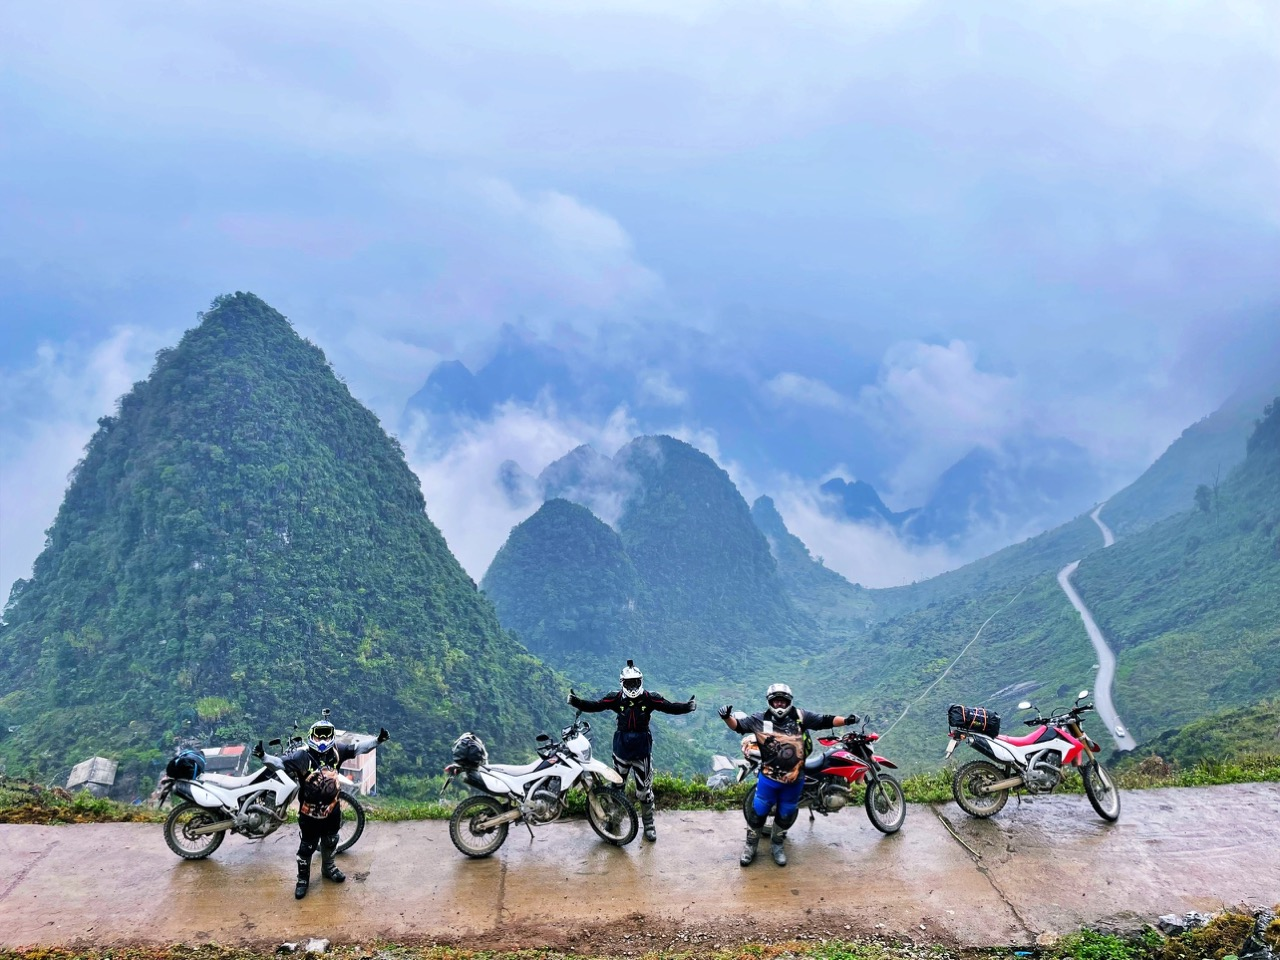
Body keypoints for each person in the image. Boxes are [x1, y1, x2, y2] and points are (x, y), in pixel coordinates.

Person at [719, 683, 857, 867]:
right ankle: (750, 847)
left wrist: (846, 720)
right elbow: (738, 726)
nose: (779, 704)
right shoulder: (759, 719)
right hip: (768, 780)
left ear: (789, 701)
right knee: (757, 813)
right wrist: (726, 717)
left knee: (785, 815)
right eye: (776, 701)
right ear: (770, 702)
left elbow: (825, 720)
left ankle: (777, 846)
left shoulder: (801, 716)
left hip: (794, 780)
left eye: (783, 701)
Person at [568, 659, 696, 842]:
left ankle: (648, 824)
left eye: (635, 682)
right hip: (621, 750)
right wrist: (577, 702)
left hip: (642, 751)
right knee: (616, 787)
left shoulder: (649, 698)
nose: (633, 685)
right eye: (629, 682)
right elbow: (596, 705)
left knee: (644, 790)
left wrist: (687, 707)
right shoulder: (616, 698)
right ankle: (615, 819)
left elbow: (669, 706)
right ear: (623, 683)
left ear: (640, 681)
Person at [281, 716, 389, 899]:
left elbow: (358, 748)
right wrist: (264, 757)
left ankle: (328, 868)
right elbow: (279, 763)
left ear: (332, 736)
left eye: (326, 736)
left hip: (332, 810)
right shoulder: (302, 756)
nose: (322, 739)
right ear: (312, 736)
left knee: (331, 840)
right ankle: (302, 880)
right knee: (307, 847)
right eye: (319, 735)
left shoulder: (337, 751)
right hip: (309, 813)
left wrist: (377, 741)